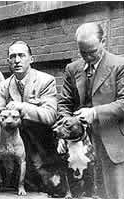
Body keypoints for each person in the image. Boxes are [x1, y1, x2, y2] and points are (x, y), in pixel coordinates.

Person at [0, 40, 60, 193]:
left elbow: (50, 115)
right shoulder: (6, 84)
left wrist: (22, 106)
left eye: (21, 55)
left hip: (38, 143)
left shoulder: (45, 80)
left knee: (49, 187)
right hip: (12, 140)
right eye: (12, 56)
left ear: (31, 59)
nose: (17, 60)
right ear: (8, 61)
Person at [57, 23, 124, 198]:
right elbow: (64, 104)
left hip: (111, 145)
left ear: (104, 41)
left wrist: (94, 112)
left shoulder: (120, 65)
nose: (87, 57)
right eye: (82, 52)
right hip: (78, 147)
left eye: (92, 51)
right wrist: (65, 130)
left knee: (114, 194)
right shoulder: (72, 69)